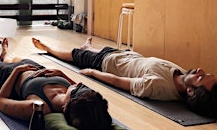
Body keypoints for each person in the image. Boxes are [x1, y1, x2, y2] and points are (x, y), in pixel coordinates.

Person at [32, 37, 217, 117]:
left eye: (201, 77)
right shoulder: (184, 76)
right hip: (124, 56)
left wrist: (93, 73)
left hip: (106, 63)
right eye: (205, 73)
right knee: (92, 50)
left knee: (72, 55)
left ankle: (49, 49)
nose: (199, 70)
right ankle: (87, 47)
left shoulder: (157, 86)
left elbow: (119, 82)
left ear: (190, 91)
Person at [0, 38, 113, 130]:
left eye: (75, 91)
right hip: (35, 69)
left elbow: (0, 101)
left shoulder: (40, 106)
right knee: (14, 58)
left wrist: (16, 72)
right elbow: (77, 86)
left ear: (66, 106)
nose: (77, 86)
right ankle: (5, 54)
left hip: (11, 76)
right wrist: (61, 74)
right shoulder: (78, 97)